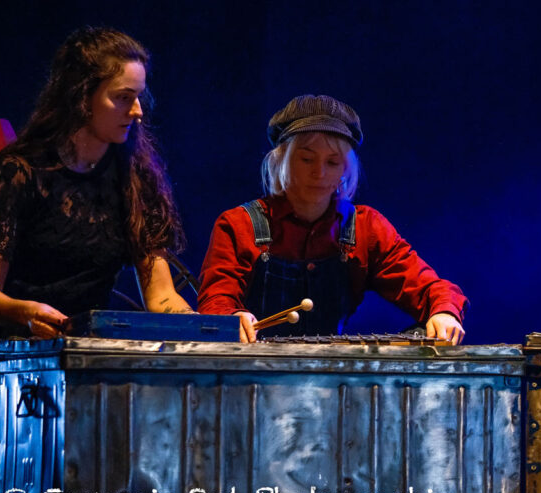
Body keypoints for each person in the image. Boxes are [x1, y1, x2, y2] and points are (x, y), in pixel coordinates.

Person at [0, 26, 194, 493]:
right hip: (11, 363)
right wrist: (21, 310)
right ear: (81, 96)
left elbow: (160, 296)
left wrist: (212, 329)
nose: (137, 111)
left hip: (88, 363)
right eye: (123, 98)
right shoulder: (20, 171)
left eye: (139, 98)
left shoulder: (134, 175)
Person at [197, 94, 468, 344]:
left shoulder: (366, 228)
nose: (319, 173)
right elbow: (215, 302)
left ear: (345, 170)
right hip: (248, 376)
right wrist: (230, 318)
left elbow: (432, 289)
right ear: (281, 161)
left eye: (332, 162)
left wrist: (444, 313)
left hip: (333, 380)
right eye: (306, 159)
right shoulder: (238, 224)